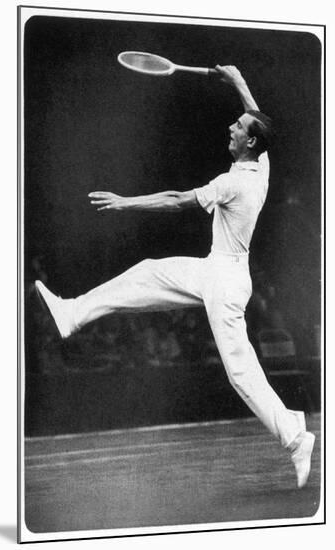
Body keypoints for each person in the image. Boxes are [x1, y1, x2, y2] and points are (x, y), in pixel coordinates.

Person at [35, 65, 315, 488]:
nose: (231, 127)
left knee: (240, 372)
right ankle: (73, 312)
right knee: (149, 271)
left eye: (238, 128)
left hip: (224, 282)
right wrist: (239, 81)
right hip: (214, 269)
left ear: (250, 142)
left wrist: (125, 203)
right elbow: (257, 115)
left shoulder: (232, 183)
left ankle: (295, 438)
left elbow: (174, 200)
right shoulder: (264, 161)